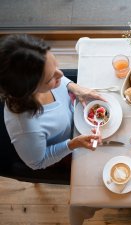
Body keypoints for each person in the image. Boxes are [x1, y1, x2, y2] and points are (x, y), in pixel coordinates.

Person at [0, 34, 104, 170]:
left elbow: (55, 75)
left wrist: (73, 87)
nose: (61, 74)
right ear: (30, 89)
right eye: (50, 79)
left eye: (55, 63)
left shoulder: (43, 76)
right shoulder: (27, 128)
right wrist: (73, 144)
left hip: (78, 121)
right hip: (67, 148)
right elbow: (38, 162)